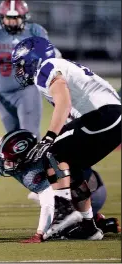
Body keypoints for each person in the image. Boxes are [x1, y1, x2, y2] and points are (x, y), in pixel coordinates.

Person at [11, 36, 121, 240]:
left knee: (51, 151)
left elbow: (64, 104)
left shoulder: (46, 67)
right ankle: (89, 226)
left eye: (21, 65)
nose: (19, 71)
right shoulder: (57, 67)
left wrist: (49, 137)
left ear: (34, 59)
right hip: (110, 118)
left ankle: (63, 212)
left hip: (105, 115)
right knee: (71, 165)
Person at [0, 129, 120, 243]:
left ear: (27, 156)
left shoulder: (43, 164)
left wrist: (39, 234)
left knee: (60, 229)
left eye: (11, 160)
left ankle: (96, 224)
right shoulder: (17, 162)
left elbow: (49, 204)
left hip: (90, 191)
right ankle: (96, 220)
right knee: (39, 198)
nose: (6, 164)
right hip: (80, 188)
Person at [0, 0, 59, 139]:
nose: (11, 22)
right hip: (3, 96)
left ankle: (41, 161)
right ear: (1, 17)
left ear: (24, 17)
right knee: (14, 142)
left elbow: (52, 58)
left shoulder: (35, 32)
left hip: (27, 92)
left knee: (30, 138)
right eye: (8, 18)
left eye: (15, 18)